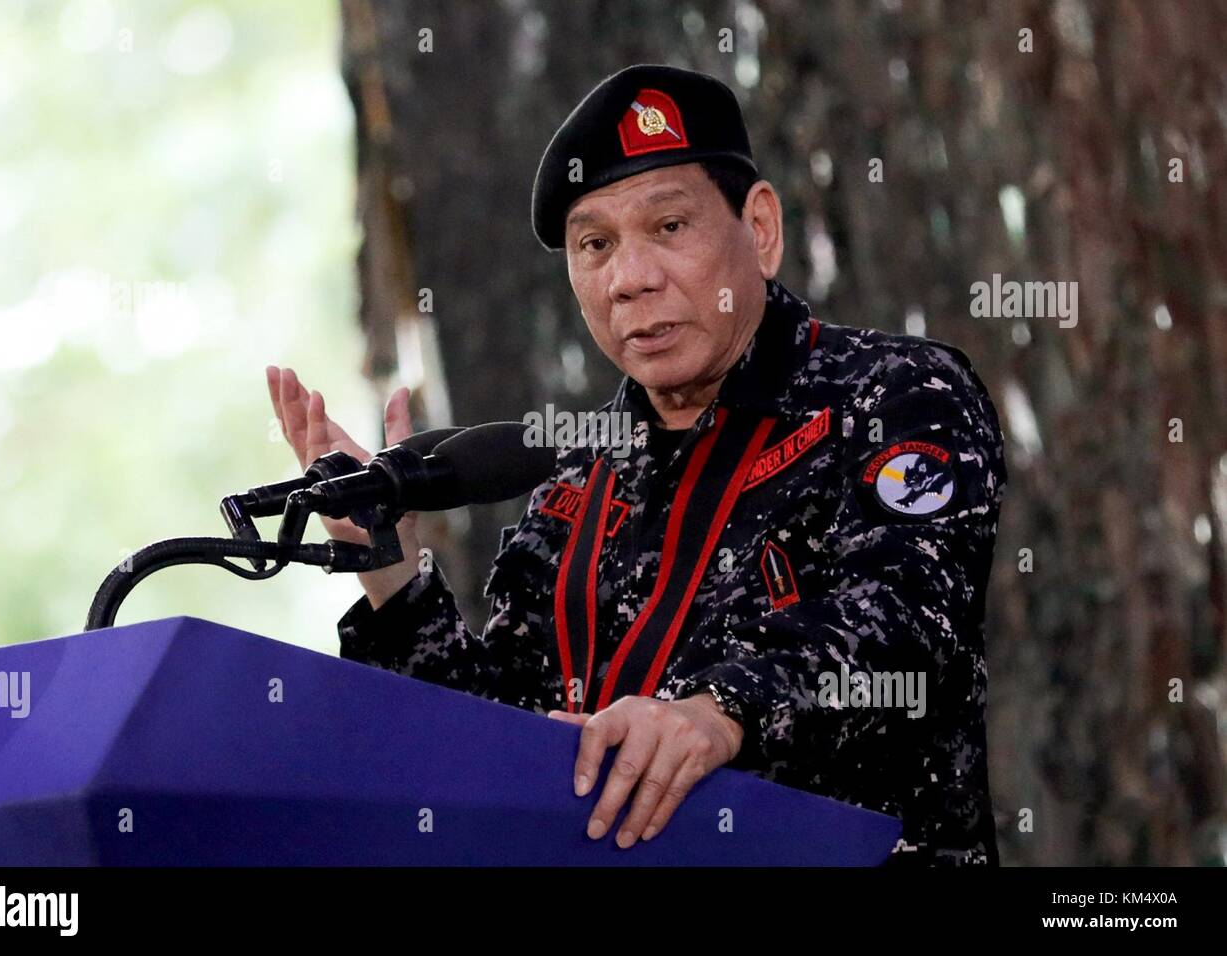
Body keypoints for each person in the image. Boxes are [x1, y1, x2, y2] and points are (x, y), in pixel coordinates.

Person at [266, 63, 1007, 865]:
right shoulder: (577, 473)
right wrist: (390, 573)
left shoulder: (894, 395)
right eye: (596, 245)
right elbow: (496, 744)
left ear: (759, 229)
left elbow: (907, 626)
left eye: (670, 228)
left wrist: (718, 712)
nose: (630, 279)